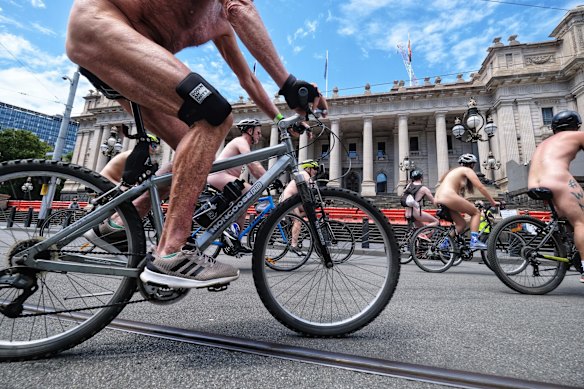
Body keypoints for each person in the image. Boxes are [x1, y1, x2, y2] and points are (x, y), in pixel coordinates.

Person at [66, 0, 327, 289]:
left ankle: (117, 225)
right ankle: (172, 251)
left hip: (127, 54)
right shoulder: (229, 7)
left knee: (189, 147)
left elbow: (248, 79)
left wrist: (280, 118)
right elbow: (240, 8)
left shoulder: (221, 24)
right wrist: (289, 83)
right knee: (216, 116)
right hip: (104, 28)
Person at [528, 110, 584, 283]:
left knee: (566, 220)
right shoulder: (577, 136)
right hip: (557, 180)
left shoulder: (543, 143)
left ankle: (566, 249)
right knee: (581, 222)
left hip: (533, 184)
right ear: (576, 126)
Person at [207, 118, 270, 255]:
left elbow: (253, 168)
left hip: (223, 178)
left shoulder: (241, 143)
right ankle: (231, 234)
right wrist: (270, 177)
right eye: (258, 133)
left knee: (243, 204)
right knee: (250, 192)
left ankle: (233, 238)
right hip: (218, 176)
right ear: (250, 131)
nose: (260, 135)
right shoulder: (240, 141)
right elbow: (253, 164)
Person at [434, 153, 499, 250]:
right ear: (472, 164)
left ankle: (444, 245)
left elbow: (456, 195)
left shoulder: (453, 172)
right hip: (448, 196)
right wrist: (492, 201)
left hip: (440, 198)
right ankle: (474, 241)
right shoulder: (467, 170)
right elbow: (480, 187)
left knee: (461, 224)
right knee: (476, 213)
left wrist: (470, 204)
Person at [279, 159, 320, 255]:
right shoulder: (304, 174)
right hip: (288, 200)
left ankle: (291, 229)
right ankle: (293, 245)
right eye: (315, 168)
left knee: (308, 211)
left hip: (292, 201)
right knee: (298, 221)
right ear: (308, 168)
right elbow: (313, 187)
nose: (316, 171)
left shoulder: (304, 175)